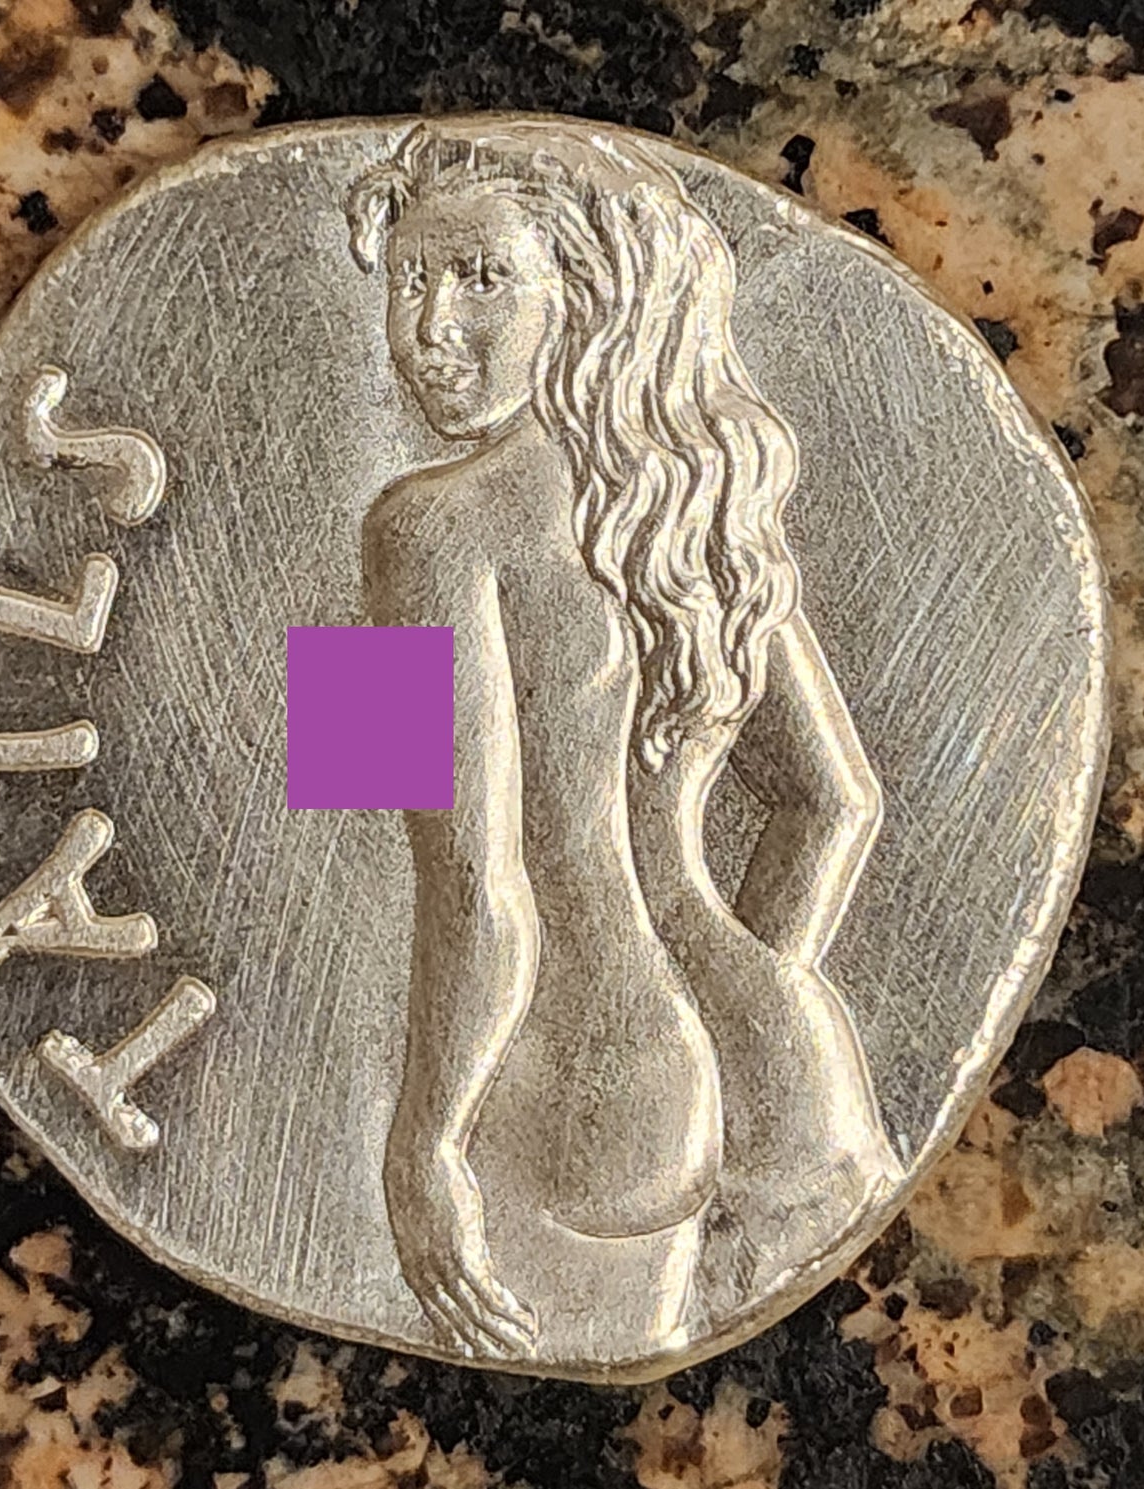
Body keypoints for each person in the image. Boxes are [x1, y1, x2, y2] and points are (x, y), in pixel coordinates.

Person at [346, 123, 901, 1369]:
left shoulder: (412, 531)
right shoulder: (695, 507)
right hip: (782, 1056)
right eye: (406, 277)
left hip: (563, 1091)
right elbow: (833, 802)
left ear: (582, 297)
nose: (427, 328)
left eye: (480, 277)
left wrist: (424, 1144)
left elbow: (450, 876)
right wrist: (727, 1013)